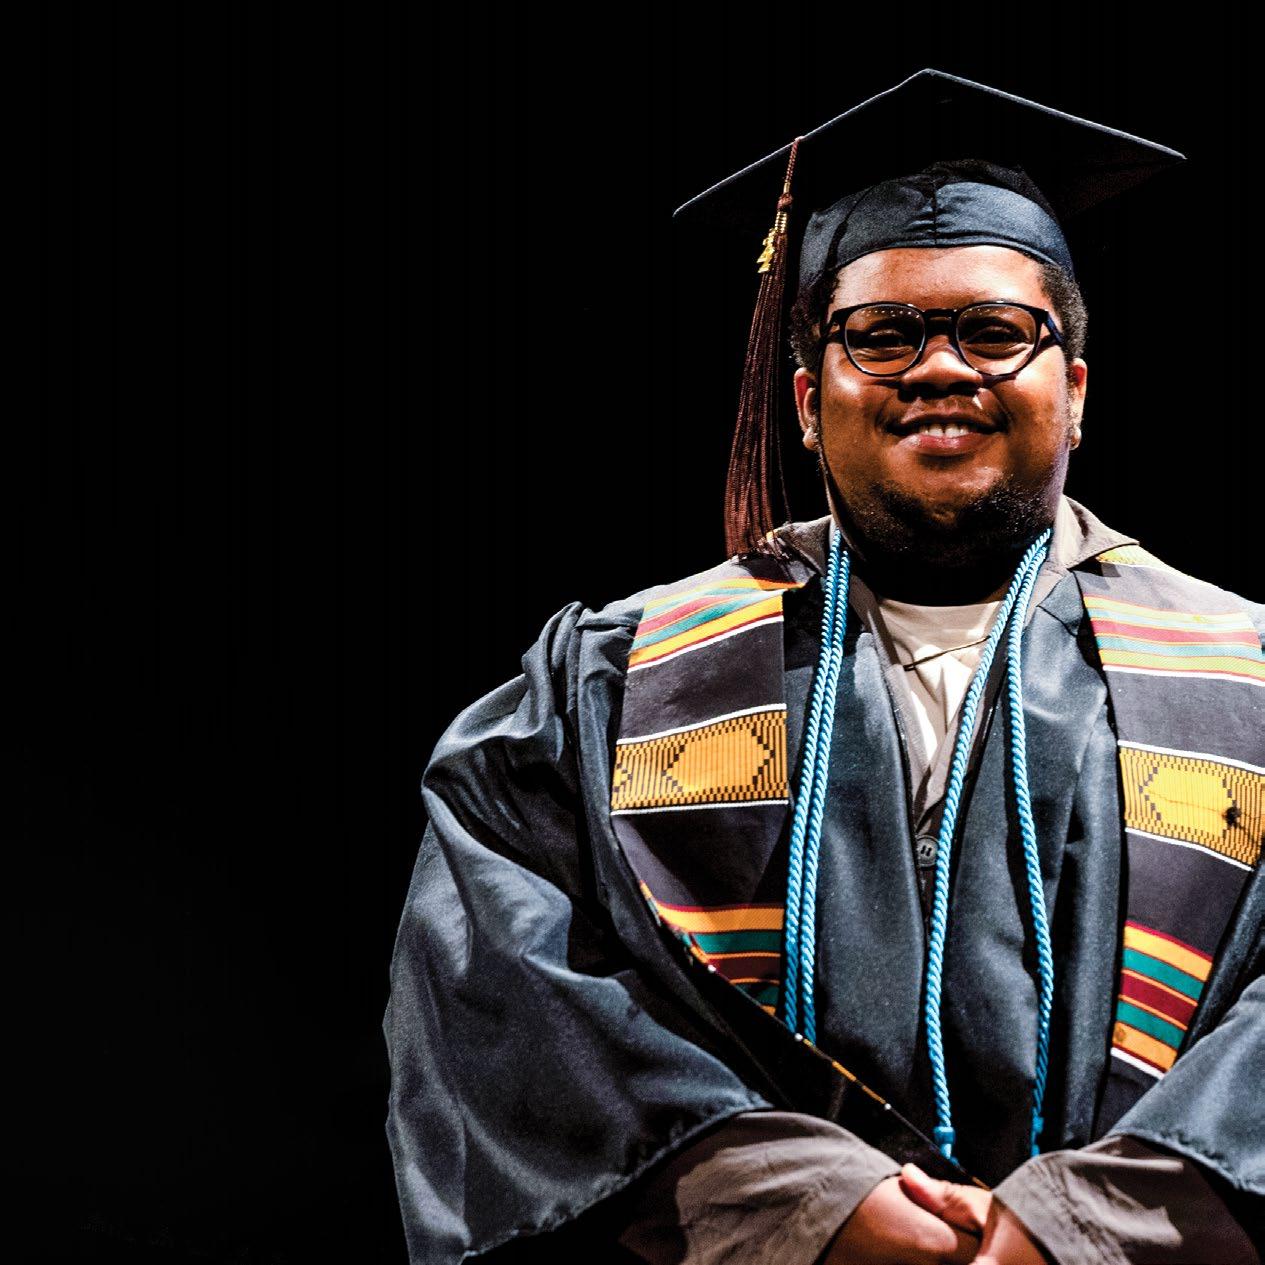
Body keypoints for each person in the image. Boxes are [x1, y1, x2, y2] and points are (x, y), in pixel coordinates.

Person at [385, 71, 1263, 1263]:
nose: (939, 368)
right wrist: (797, 1202)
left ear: (1073, 390)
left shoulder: (1239, 681)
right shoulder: (617, 678)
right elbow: (495, 977)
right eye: (881, 335)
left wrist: (1085, 1220)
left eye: (995, 333)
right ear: (806, 400)